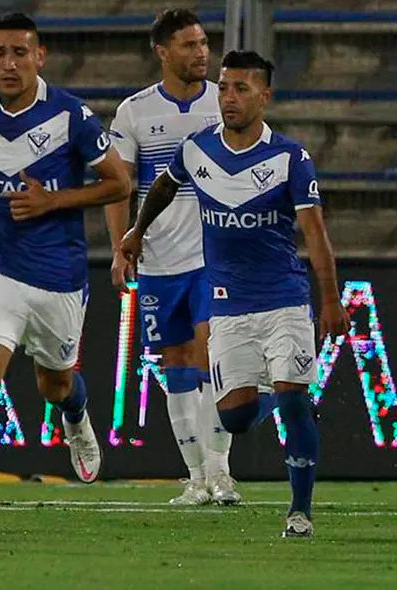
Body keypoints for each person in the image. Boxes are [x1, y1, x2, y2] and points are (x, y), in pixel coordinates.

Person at [120, 50, 350, 537]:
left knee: (290, 398)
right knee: (237, 416)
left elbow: (316, 237)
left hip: (285, 300)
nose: (228, 97)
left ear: (265, 97)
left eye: (241, 89)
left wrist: (329, 301)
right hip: (229, 306)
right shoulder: (197, 149)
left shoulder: (290, 158)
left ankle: (300, 511)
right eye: (224, 87)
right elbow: (164, 185)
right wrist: (137, 230)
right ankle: (285, 396)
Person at [0, 13, 131, 544]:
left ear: (40, 57)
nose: (9, 63)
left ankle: (76, 415)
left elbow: (119, 183)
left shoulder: (71, 118)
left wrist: (54, 200)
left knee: (55, 384)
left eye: (20, 53)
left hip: (60, 276)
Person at [106, 8, 238, 506]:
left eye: (204, 43)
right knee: (177, 363)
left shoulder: (225, 103)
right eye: (189, 45)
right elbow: (119, 188)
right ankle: (197, 478)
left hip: (214, 255)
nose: (201, 52)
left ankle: (221, 471)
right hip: (160, 259)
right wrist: (123, 247)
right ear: (163, 52)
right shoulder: (134, 112)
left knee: (212, 352)